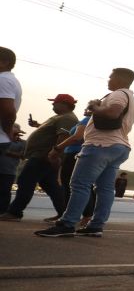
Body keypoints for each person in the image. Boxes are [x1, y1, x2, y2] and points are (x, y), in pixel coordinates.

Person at [36, 68, 134, 238]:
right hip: (118, 147)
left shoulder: (118, 94)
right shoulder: (131, 99)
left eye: (111, 77)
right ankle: (96, 226)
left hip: (100, 145)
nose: (108, 80)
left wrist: (95, 107)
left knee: (79, 185)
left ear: (120, 79)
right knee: (105, 189)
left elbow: (113, 112)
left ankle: (67, 224)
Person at [0, 93, 78, 222]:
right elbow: (53, 131)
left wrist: (54, 154)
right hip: (45, 156)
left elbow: (63, 137)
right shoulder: (61, 117)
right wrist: (38, 125)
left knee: (25, 181)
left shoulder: (67, 118)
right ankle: (63, 213)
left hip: (43, 156)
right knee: (51, 186)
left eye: (55, 102)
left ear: (64, 104)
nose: (53, 104)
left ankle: (15, 212)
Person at [0, 47, 20, 145]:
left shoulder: (3, 79)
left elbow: (8, 112)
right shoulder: (7, 79)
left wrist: (8, 131)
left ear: (4, 63)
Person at [0, 137, 25, 214]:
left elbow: (24, 156)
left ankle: (3, 211)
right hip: (8, 171)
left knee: (5, 192)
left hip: (9, 171)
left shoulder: (21, 143)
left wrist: (8, 152)